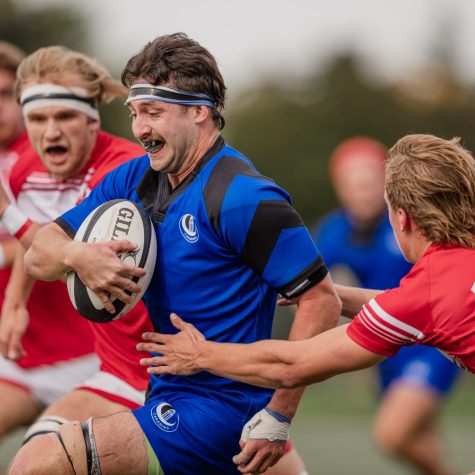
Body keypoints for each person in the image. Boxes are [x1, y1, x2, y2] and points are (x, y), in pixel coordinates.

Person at [11, 33, 341, 475]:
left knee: (39, 460)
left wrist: (279, 415)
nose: (139, 129)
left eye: (153, 112)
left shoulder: (242, 197)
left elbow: (321, 301)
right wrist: (78, 256)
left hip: (222, 409)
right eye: (134, 113)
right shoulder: (133, 180)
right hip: (163, 392)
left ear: (199, 111)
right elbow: (38, 257)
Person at [135, 134, 475, 474]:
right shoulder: (452, 270)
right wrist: (322, 293)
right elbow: (410, 305)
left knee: (395, 431)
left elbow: (292, 365)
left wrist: (200, 354)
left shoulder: (430, 287)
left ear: (402, 218)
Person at [0, 46, 154, 450]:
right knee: (40, 456)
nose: (50, 132)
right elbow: (44, 239)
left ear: (92, 119)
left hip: (161, 367)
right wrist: (15, 303)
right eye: (37, 118)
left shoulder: (124, 172)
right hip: (108, 366)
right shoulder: (23, 172)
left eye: (65, 116)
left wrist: (7, 213)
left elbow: (69, 253)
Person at [313, 137, 459, 475]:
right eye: (352, 184)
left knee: (393, 434)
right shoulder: (334, 232)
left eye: (369, 182)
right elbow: (314, 289)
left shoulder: (415, 223)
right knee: (419, 436)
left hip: (429, 345)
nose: (362, 192)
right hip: (385, 350)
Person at [0, 42, 100, 473]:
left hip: (86, 357)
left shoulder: (45, 156)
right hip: (18, 358)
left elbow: (47, 242)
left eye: (5, 95)